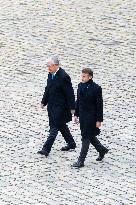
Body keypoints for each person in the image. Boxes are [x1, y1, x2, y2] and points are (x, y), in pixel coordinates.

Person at [37, 55, 76, 157]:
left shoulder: (64, 77)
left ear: (55, 65)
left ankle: (46, 149)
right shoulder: (51, 74)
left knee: (54, 128)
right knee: (62, 126)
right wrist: (43, 102)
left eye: (49, 66)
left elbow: (70, 94)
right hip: (52, 106)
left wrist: (73, 108)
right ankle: (71, 143)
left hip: (61, 108)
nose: (48, 68)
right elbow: (48, 88)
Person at [72, 68, 109, 168]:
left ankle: (81, 160)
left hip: (91, 118)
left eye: (84, 76)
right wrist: (76, 114)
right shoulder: (80, 86)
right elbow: (78, 101)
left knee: (85, 137)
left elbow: (99, 105)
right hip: (83, 117)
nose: (82, 78)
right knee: (90, 136)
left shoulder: (96, 88)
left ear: (90, 77)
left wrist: (99, 120)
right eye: (82, 76)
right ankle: (102, 150)